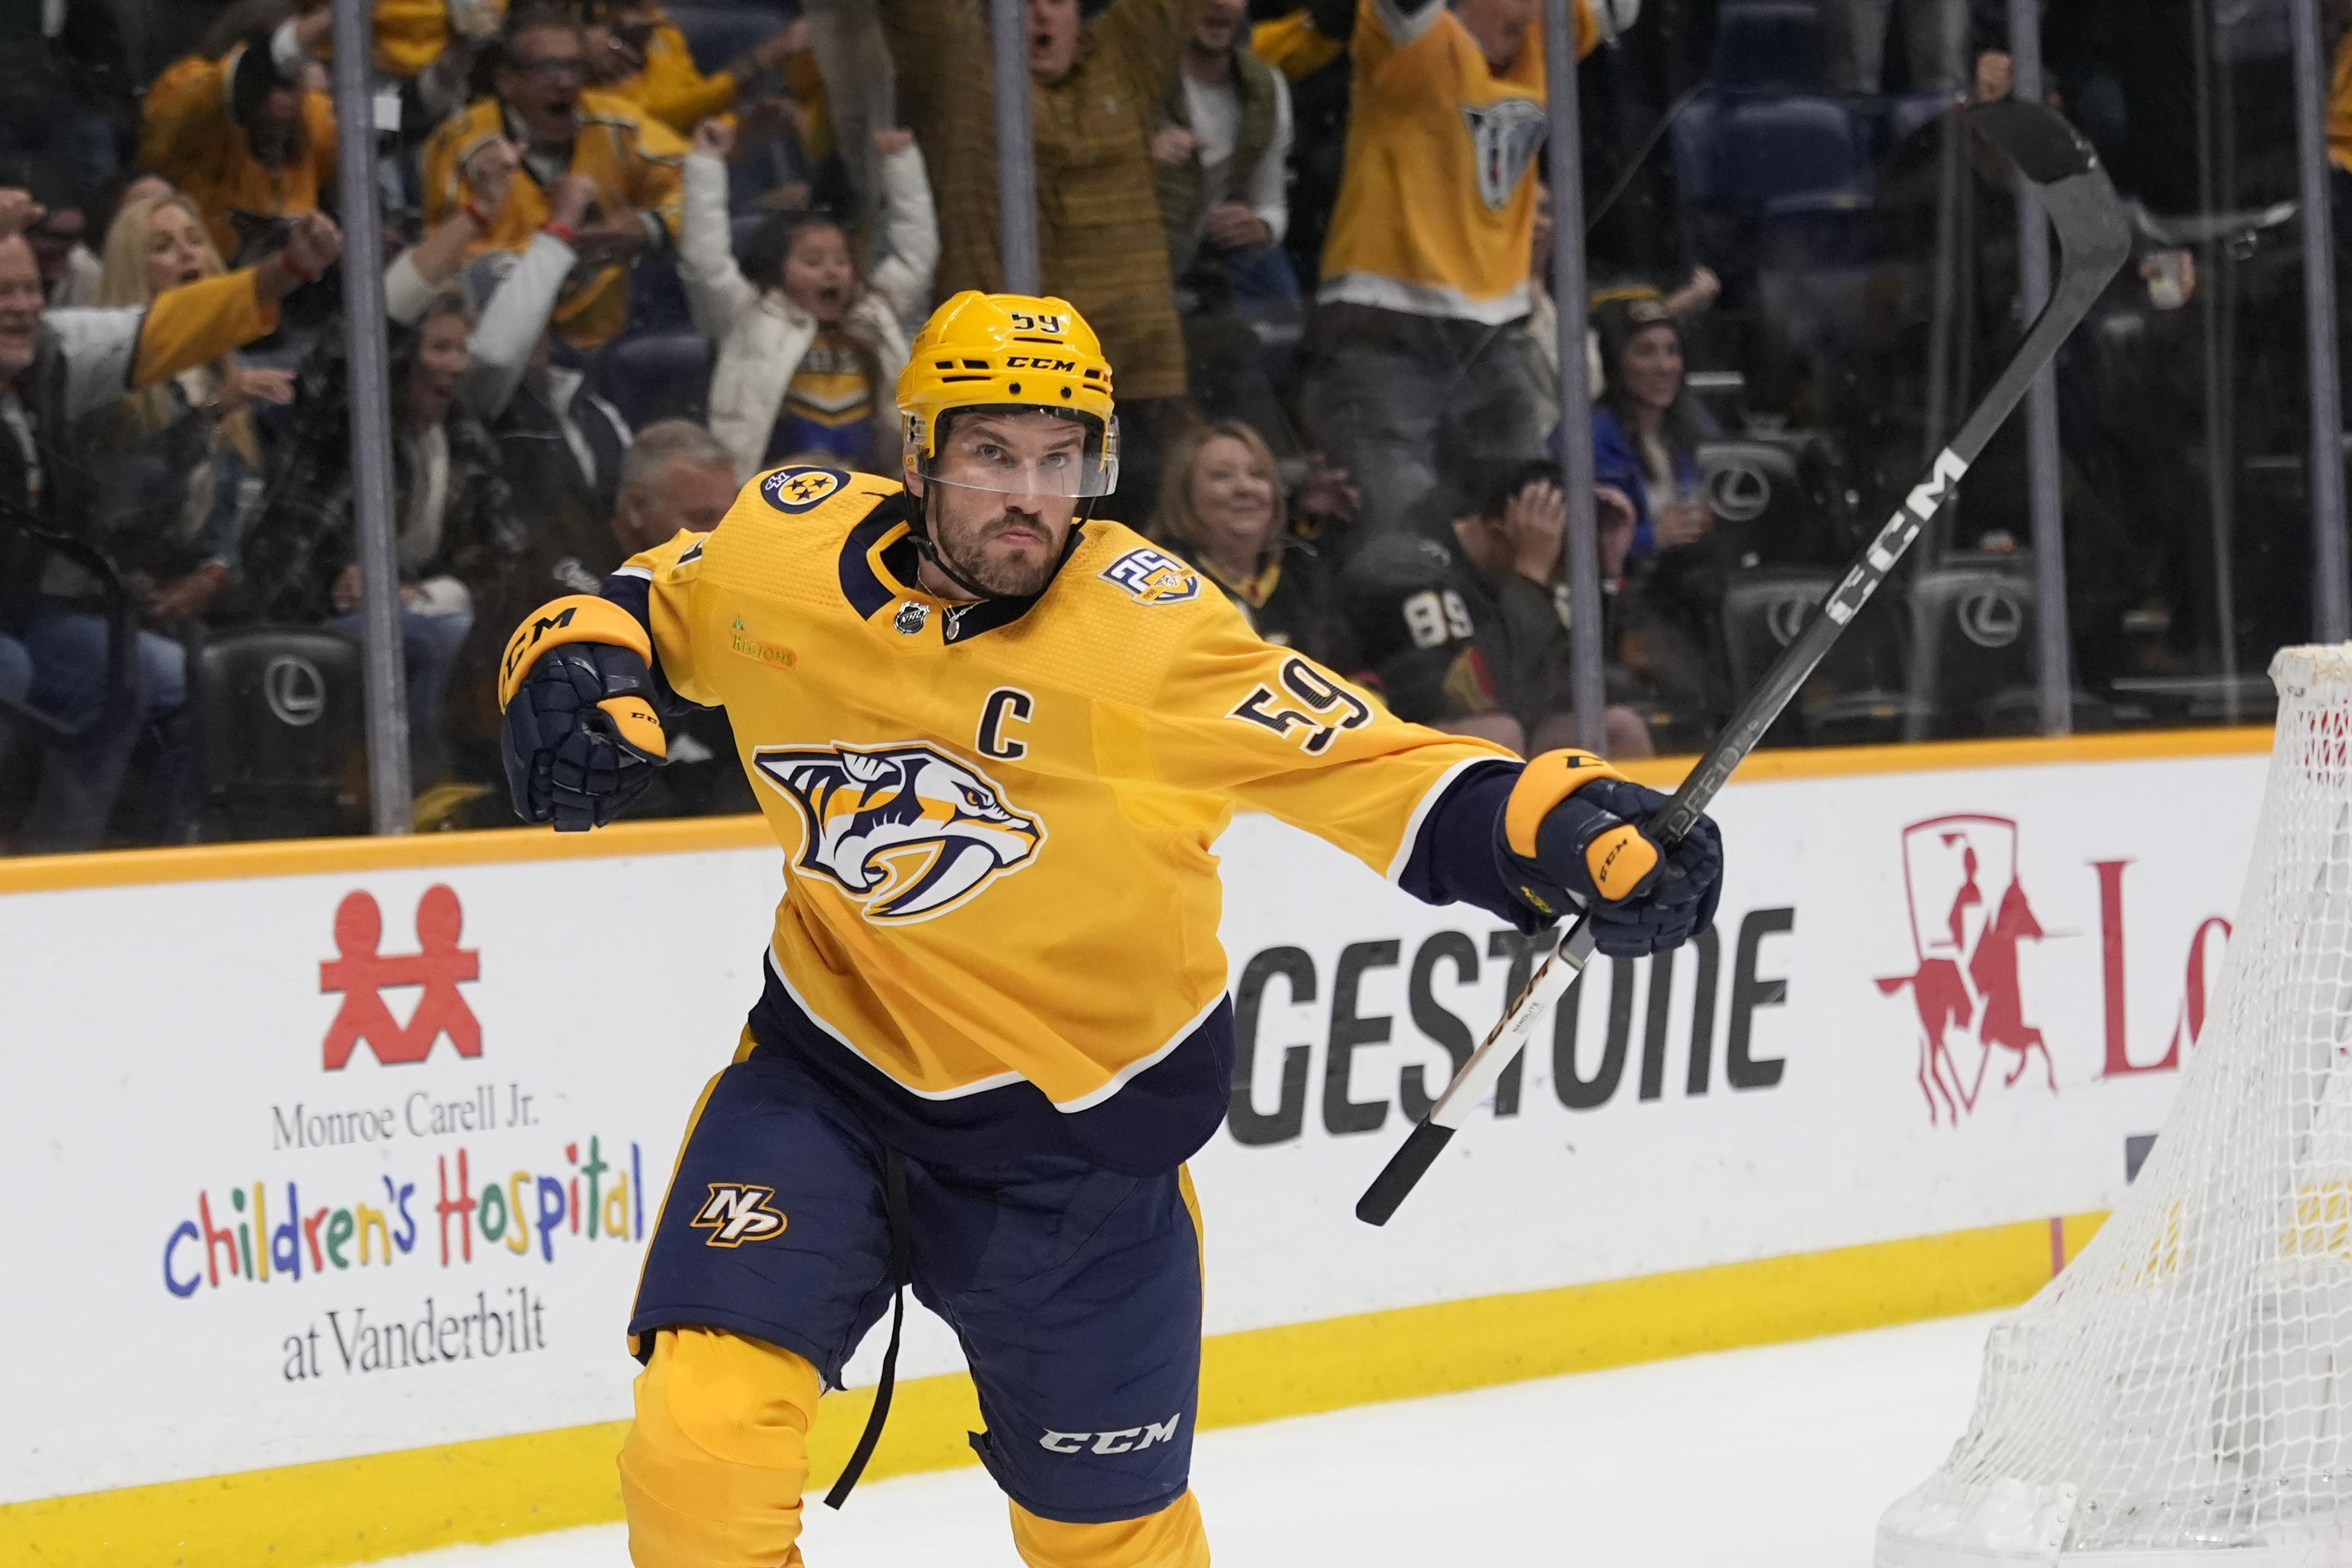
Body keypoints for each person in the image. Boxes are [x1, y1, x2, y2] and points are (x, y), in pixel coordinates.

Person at [493, 290, 1724, 1566]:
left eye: (1060, 458)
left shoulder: (1153, 640)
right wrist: (577, 654)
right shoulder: (785, 548)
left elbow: (1380, 770)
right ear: (917, 453)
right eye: (991, 455)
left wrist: (1565, 828)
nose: (1030, 495)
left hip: (1079, 1150)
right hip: (828, 1082)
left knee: (1109, 1546)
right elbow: (653, 599)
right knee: (699, 1446)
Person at [0, 189, 339, 852]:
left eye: (29, 288)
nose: (21, 307)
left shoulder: (53, 351)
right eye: (1, 292)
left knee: (140, 675)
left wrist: (283, 273)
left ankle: (66, 874)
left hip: (27, 614)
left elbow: (165, 329)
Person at [1297, 0, 1618, 539]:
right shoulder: (1417, 39)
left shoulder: (1542, 38)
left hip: (1493, 338)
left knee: (1529, 515)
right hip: (1384, 329)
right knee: (1403, 531)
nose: (1531, 15)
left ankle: (1522, 622)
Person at [884, 0, 1208, 508]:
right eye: (1018, 4)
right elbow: (924, 16)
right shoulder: (957, 73)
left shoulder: (1124, 57)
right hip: (1002, 384)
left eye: (1054, 1)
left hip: (1137, 383)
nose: (1036, 16)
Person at [243, 291, 517, 789]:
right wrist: (346, 574)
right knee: (448, 641)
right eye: (440, 349)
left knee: (491, 636)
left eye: (463, 350)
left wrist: (427, 595)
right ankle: (415, 794)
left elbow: (503, 558)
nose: (456, 367)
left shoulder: (465, 439)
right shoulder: (344, 425)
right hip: (308, 610)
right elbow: (342, 352)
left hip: (417, 613)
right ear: (400, 356)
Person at [75, 193, 294, 641]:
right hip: (117, 600)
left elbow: (229, 516)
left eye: (194, 240)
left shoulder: (225, 371)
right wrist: (212, 413)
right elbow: (135, 504)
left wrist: (213, 575)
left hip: (204, 603)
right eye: (163, 246)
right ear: (133, 271)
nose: (187, 253)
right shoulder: (115, 380)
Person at [679, 115, 936, 482]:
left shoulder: (874, 313)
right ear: (776, 268)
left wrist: (902, 163)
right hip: (772, 489)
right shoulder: (751, 316)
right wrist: (706, 164)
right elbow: (705, 264)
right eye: (812, 262)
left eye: (841, 260)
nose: (831, 272)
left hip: (868, 486)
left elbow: (916, 256)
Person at [420, 6, 689, 351]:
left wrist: (653, 226)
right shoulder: (461, 145)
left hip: (606, 341)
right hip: (502, 344)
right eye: (546, 69)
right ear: (507, 81)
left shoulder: (616, 124)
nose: (565, 83)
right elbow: (450, 266)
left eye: (574, 67)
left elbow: (698, 184)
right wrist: (559, 249)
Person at [1342, 461, 1650, 756]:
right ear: (1498, 529)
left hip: (1502, 722)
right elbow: (1467, 693)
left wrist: (1606, 573)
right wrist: (1530, 575)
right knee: (1500, 734)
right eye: (1558, 558)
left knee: (1620, 729)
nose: (1560, 577)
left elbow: (1583, 684)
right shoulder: (1407, 567)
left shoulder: (1518, 574)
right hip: (1393, 740)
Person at [1152, 0, 1300, 446]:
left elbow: (1270, 202)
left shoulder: (1263, 86)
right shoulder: (1141, 76)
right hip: (1135, 281)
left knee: (1257, 379)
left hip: (1207, 283)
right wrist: (1142, 152)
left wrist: (1261, 226)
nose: (1219, 5)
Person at [139, 4, 338, 266]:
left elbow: (380, 132)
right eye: (281, 66)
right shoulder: (189, 86)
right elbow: (223, 88)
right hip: (200, 283)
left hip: (288, 288)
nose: (287, 77)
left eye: (299, 63)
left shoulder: (313, 113)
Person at [1151, 417, 1344, 657]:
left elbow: (1350, 671)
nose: (1245, 488)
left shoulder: (1304, 573)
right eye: (1222, 476)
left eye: (1258, 474)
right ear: (1185, 495)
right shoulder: (1163, 586)